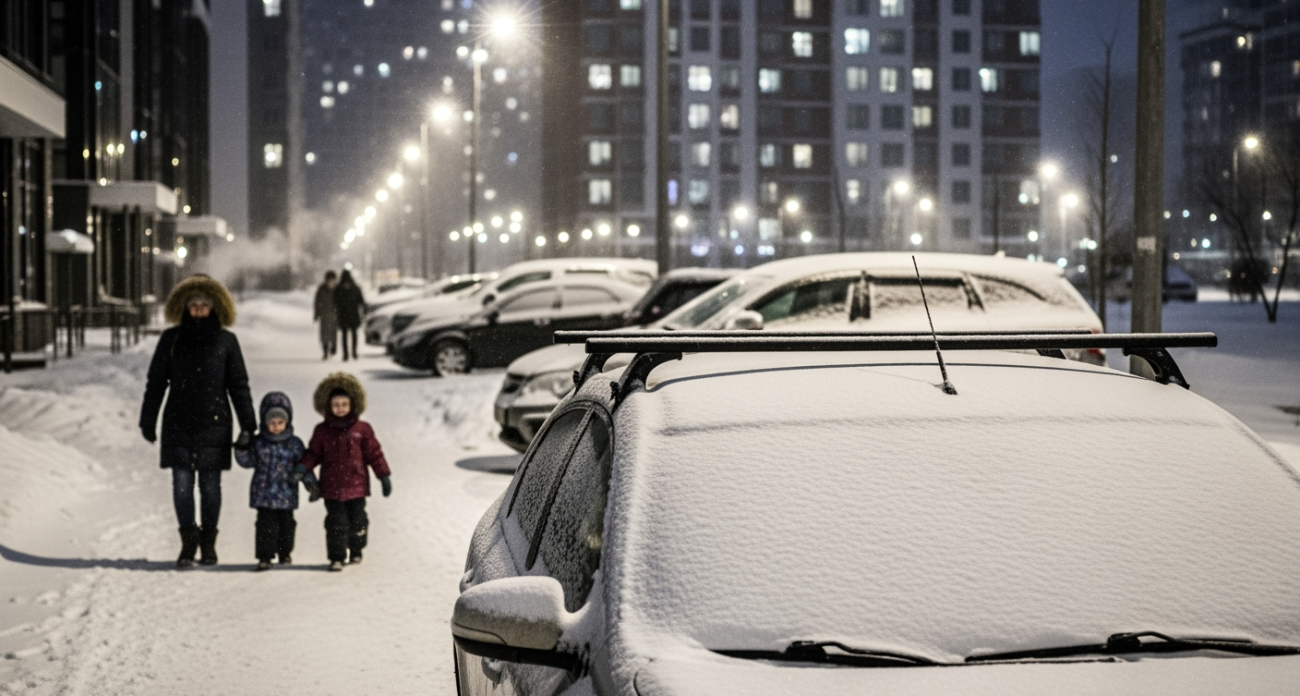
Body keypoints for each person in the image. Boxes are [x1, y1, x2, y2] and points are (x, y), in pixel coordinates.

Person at [140, 275, 257, 568]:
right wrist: (148, 418)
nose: (199, 310)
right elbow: (156, 381)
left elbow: (238, 385)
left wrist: (248, 424)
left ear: (216, 307)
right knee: (181, 484)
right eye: (194, 305)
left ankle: (208, 544)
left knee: (210, 486)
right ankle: (188, 542)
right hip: (178, 421)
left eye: (205, 305)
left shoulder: (227, 341)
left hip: (214, 422)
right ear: (184, 306)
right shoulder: (171, 339)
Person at [301, 372, 392, 572]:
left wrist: (383, 476)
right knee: (336, 523)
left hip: (357, 487)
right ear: (328, 406)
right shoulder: (322, 430)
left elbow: (374, 454)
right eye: (336, 405)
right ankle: (337, 557)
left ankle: (356, 549)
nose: (340, 409)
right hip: (331, 488)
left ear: (352, 404)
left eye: (344, 404)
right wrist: (303, 466)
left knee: (358, 521)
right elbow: (313, 454)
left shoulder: (362, 429)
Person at [234, 392, 320, 571]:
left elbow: (303, 466)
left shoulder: (294, 444)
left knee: (286, 525)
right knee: (265, 525)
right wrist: (241, 447)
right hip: (263, 494)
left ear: (287, 422)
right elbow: (247, 461)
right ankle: (265, 557)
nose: (276, 426)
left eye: (280, 423)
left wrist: (311, 484)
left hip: (287, 494)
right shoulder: (259, 442)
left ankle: (284, 553)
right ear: (265, 423)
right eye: (272, 423)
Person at [333, 270, 365, 361]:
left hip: (344, 315)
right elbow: (361, 301)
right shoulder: (355, 287)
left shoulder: (339, 288)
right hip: (353, 315)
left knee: (345, 335)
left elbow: (335, 302)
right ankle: (353, 352)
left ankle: (346, 354)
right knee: (353, 335)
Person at [314, 270, 339, 360]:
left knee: (333, 333)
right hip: (324, 315)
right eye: (329, 280)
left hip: (335, 315)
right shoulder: (321, 289)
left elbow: (342, 302)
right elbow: (317, 302)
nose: (331, 282)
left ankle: (333, 347)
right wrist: (316, 314)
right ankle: (325, 351)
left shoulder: (338, 289)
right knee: (324, 335)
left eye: (333, 280)